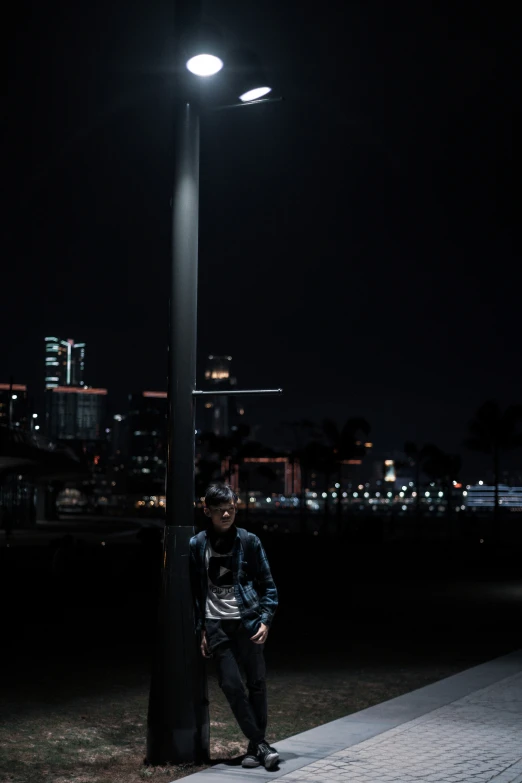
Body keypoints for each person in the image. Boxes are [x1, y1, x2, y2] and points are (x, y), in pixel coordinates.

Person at [189, 482, 279, 770]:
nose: (226, 515)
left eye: (230, 509)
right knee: (231, 685)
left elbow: (269, 586)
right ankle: (261, 743)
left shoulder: (249, 541)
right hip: (216, 626)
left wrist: (265, 620)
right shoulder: (197, 545)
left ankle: (255, 747)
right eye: (219, 511)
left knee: (256, 684)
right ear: (207, 511)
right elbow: (195, 592)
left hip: (248, 623)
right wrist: (202, 629)